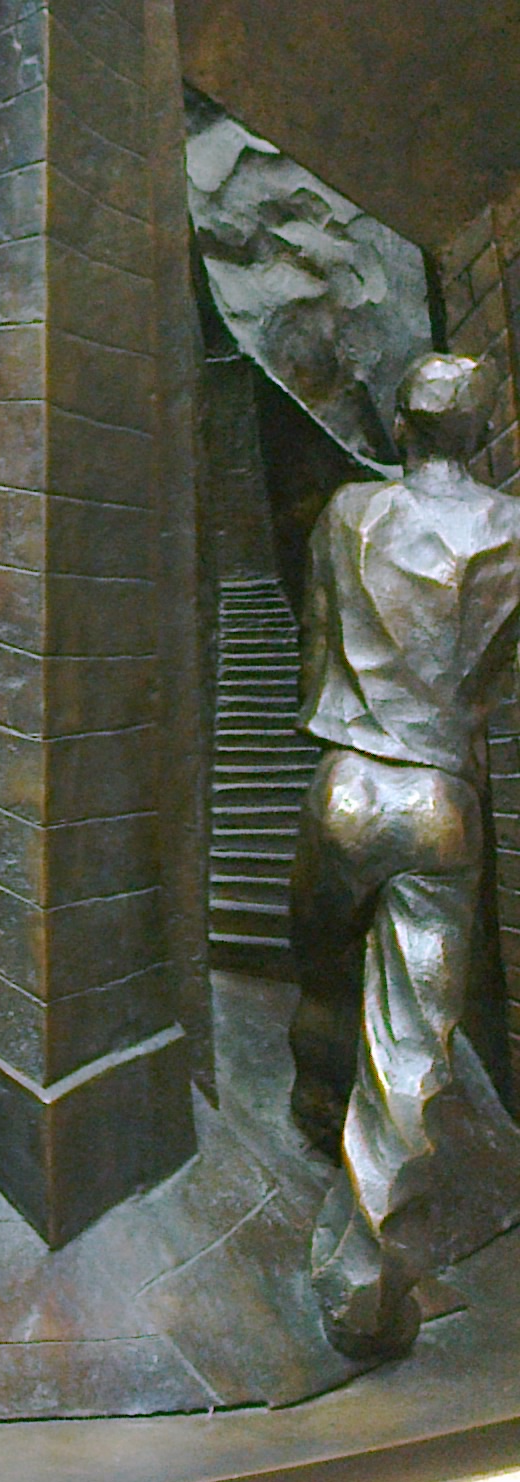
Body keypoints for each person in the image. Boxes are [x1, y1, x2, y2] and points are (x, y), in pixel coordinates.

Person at [290, 352, 520, 1357]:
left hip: (342, 784)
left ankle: (311, 1103)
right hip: (436, 797)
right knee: (409, 1049)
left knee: (322, 971)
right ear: (481, 430)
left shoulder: (348, 515)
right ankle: (360, 1290)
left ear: (400, 424)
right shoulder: (511, 531)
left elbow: (313, 645)